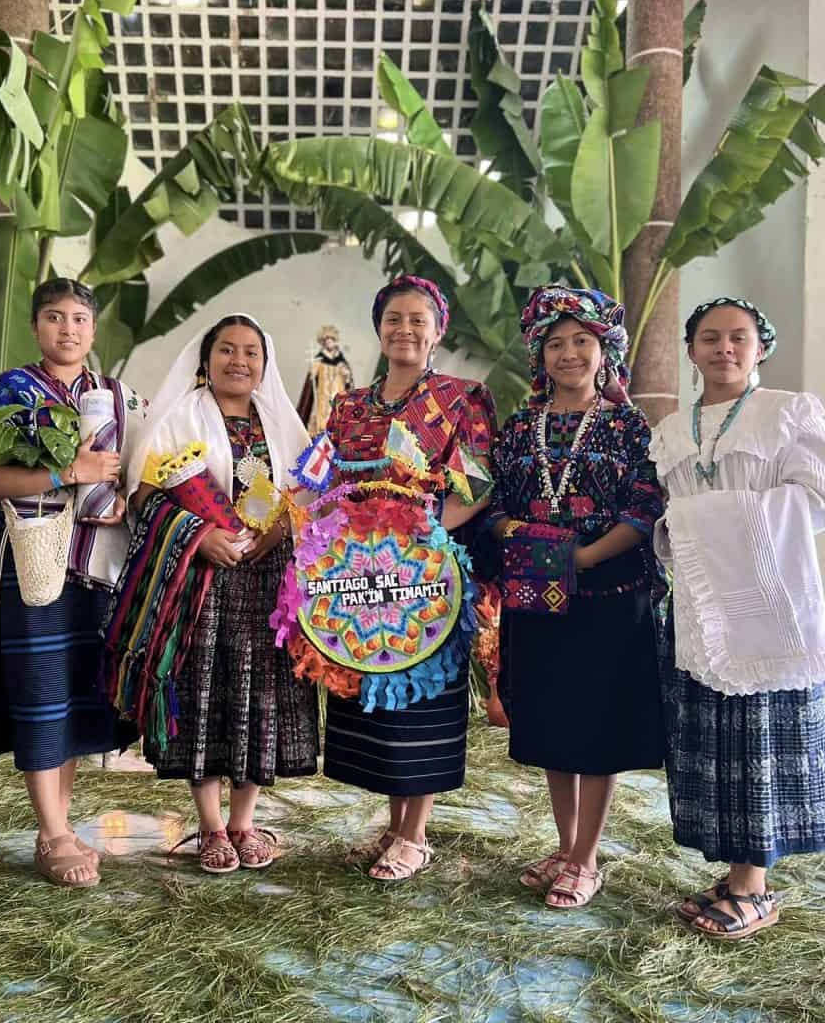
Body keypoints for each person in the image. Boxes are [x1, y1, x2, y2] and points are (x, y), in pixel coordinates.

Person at [485, 285, 663, 909]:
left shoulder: (629, 425)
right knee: (552, 723)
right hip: (537, 599)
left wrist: (582, 558)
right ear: (539, 355)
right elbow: (493, 504)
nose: (569, 353)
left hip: (609, 597)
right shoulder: (517, 429)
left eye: (582, 341)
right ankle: (565, 847)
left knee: (598, 727)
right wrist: (532, 546)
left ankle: (587, 858)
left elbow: (645, 505)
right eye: (555, 343)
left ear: (604, 349)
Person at [652, 297, 825, 939]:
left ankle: (755, 886)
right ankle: (732, 873)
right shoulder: (673, 429)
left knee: (758, 736)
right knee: (713, 738)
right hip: (700, 604)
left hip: (769, 602)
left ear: (761, 347)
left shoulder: (788, 412)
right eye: (709, 337)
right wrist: (685, 526)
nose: (724, 348)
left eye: (738, 337)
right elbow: (666, 510)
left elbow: (813, 498)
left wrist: (706, 517)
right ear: (691, 351)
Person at [121, 312, 318, 874]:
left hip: (268, 582)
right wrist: (201, 537)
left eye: (251, 351)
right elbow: (145, 497)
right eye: (227, 349)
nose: (239, 360)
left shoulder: (282, 423)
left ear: (265, 364)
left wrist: (279, 531)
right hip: (202, 580)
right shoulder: (180, 416)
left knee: (260, 695)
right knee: (206, 691)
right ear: (206, 360)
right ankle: (211, 827)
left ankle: (244, 823)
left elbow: (307, 497)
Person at [320, 275, 497, 882]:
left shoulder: (462, 397)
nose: (405, 330)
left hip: (427, 571)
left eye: (418, 320)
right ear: (378, 328)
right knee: (376, 691)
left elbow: (477, 480)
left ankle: (415, 835)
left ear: (437, 331)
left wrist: (423, 537)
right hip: (358, 573)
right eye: (394, 319)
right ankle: (394, 827)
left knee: (420, 694)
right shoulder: (348, 405)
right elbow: (324, 481)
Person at [0, 278, 143, 889]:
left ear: (93, 330)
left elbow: (143, 470)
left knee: (75, 693)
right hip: (34, 561)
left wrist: (126, 498)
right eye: (53, 316)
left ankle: (60, 827)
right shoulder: (11, 390)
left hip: (98, 566)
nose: (67, 329)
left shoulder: (118, 395)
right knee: (41, 691)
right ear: (35, 326)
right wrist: (69, 471)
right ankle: (51, 832)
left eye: (78, 318)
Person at [296, 323, 353, 434]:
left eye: (331, 340)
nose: (329, 342)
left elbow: (349, 385)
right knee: (317, 425)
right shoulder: (319, 361)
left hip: (336, 400)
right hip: (321, 401)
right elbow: (309, 389)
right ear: (323, 343)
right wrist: (313, 375)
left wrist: (347, 377)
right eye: (326, 340)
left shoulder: (342, 363)